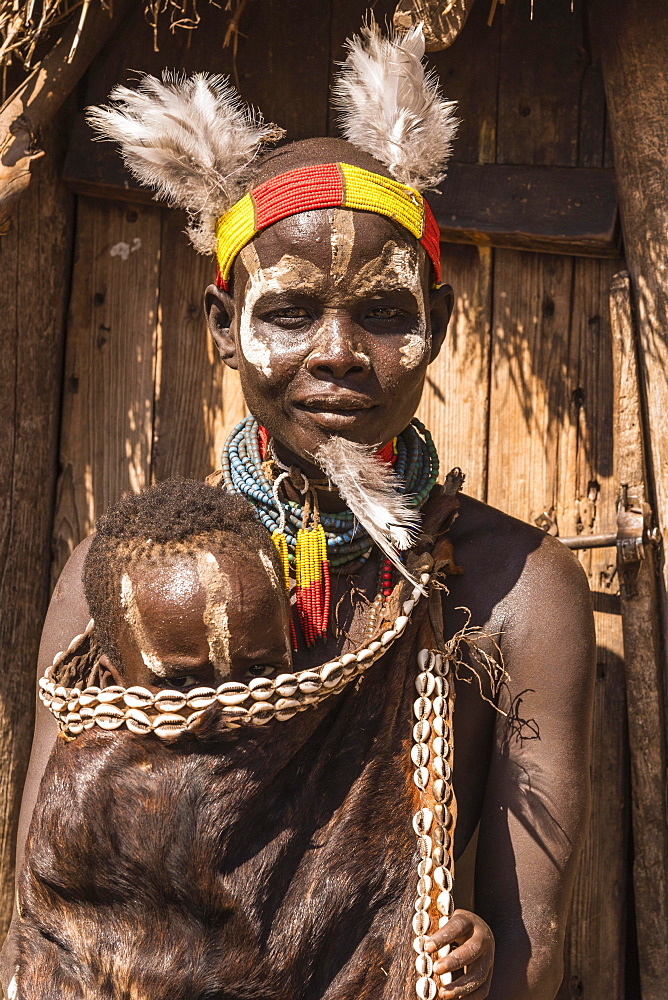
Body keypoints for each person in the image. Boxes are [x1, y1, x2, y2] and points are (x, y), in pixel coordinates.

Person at [2, 21, 594, 1000]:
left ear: (436, 327)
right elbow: (46, 914)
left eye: (383, 311)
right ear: (221, 329)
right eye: (287, 311)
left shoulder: (514, 594)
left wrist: (471, 964)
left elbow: (530, 961)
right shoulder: (110, 580)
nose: (337, 352)